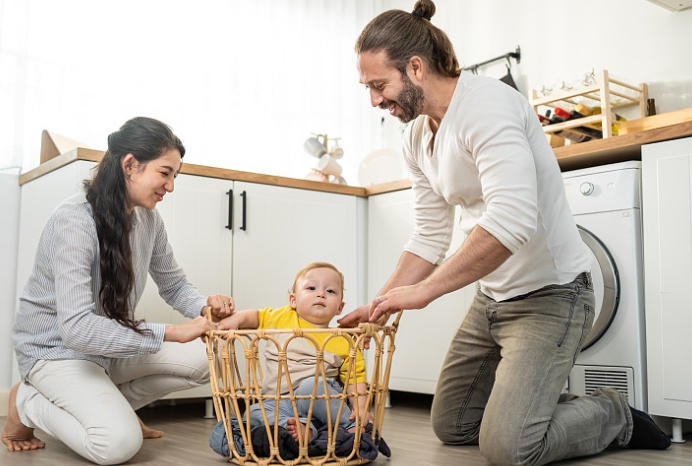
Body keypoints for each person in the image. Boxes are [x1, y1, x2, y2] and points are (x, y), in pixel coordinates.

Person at [338, 1, 671, 466]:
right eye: (368, 88)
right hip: (492, 301)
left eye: (379, 85)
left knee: (509, 448)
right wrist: (381, 304)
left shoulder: (488, 106)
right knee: (453, 426)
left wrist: (425, 292)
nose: (374, 100)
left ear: (415, 67)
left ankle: (614, 413)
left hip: (554, 296)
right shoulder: (416, 136)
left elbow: (512, 222)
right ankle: (527, 411)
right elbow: (429, 236)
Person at [1, 117, 235, 465]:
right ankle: (27, 403)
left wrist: (205, 307)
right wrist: (173, 333)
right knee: (117, 445)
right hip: (57, 350)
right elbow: (77, 329)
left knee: (212, 360)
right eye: (165, 173)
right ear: (130, 165)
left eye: (174, 176)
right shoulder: (74, 221)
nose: (170, 186)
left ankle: (111, 406)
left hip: (108, 347)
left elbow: (173, 284)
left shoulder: (149, 221)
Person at [215, 262, 371, 448]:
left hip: (316, 401)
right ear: (293, 300)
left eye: (330, 291)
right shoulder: (284, 317)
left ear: (340, 307)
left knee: (314, 385)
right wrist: (237, 319)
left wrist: (360, 408)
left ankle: (349, 424)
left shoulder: (343, 340)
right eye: (311, 288)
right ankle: (305, 431)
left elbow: (355, 378)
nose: (321, 293)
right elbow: (257, 316)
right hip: (276, 400)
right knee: (254, 413)